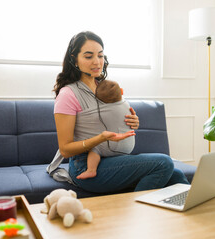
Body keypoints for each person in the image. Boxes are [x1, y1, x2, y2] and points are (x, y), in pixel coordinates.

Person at [51, 31, 189, 194]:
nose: (97, 62)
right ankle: (138, 213)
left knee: (176, 175)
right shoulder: (68, 94)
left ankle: (194, 215)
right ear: (74, 59)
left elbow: (111, 119)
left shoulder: (103, 87)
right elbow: (65, 149)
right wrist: (100, 138)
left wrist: (131, 122)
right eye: (89, 56)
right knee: (163, 163)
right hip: (86, 165)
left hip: (114, 158)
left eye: (100, 55)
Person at [76, 79, 135, 180]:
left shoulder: (99, 111)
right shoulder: (126, 105)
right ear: (121, 91)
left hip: (109, 147)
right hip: (128, 148)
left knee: (95, 148)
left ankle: (91, 170)